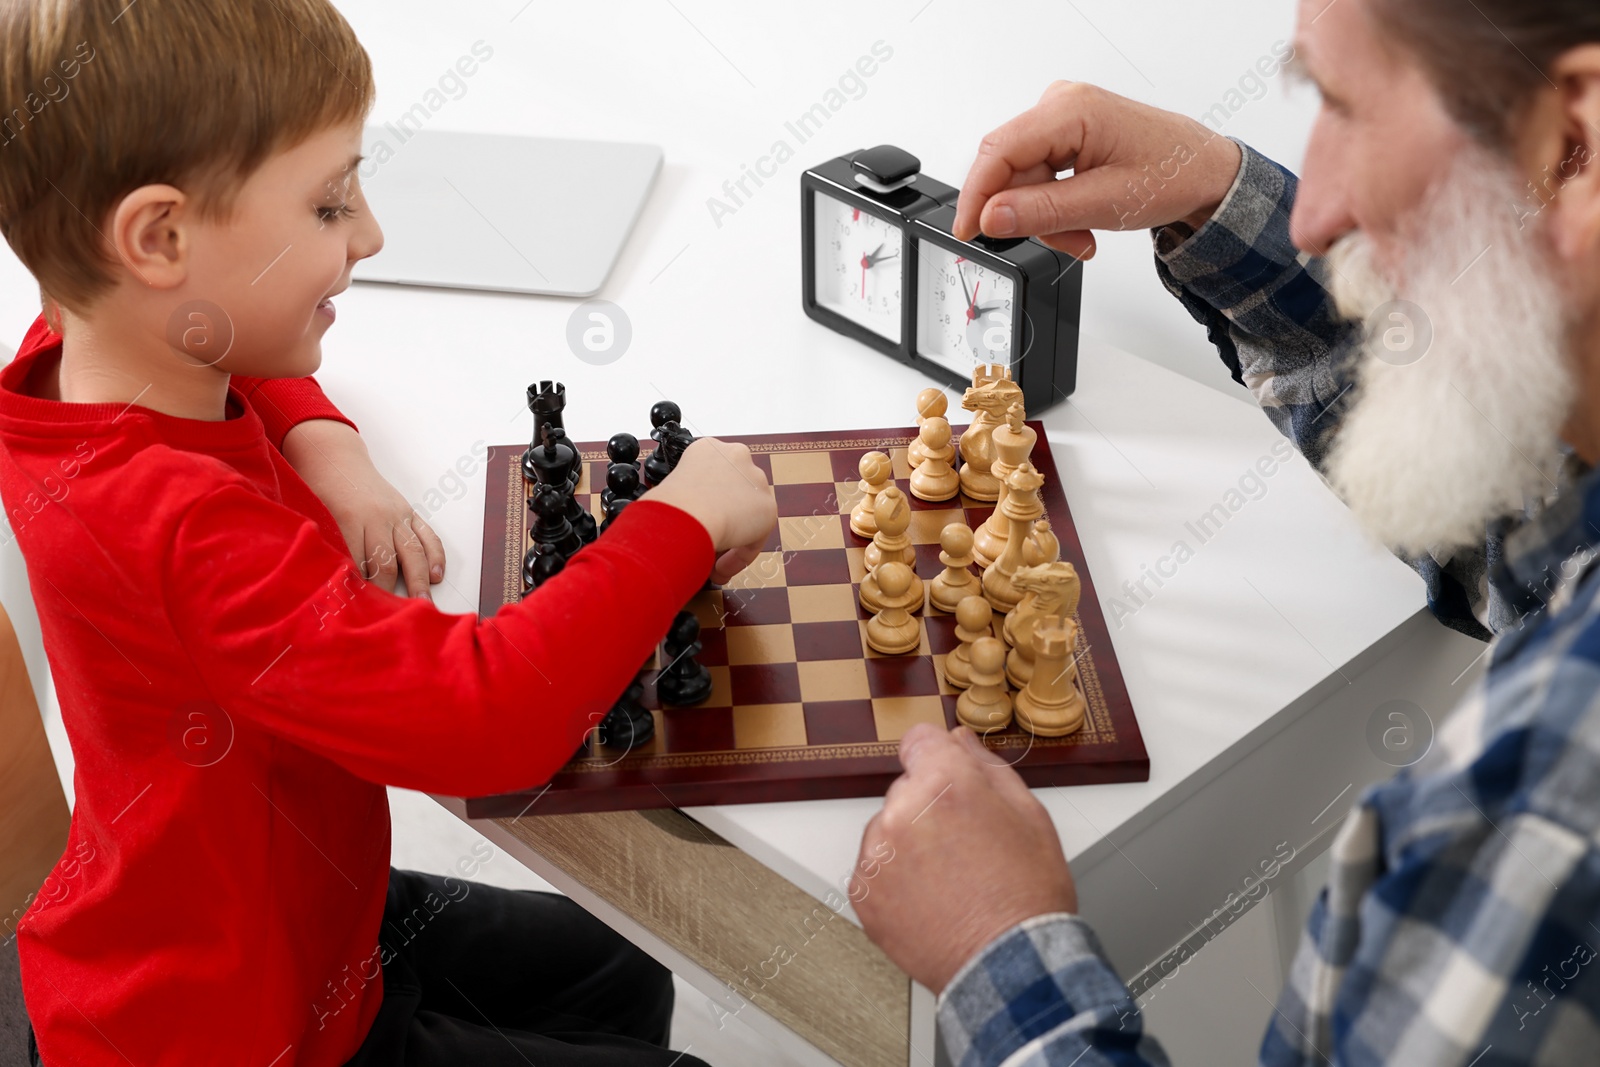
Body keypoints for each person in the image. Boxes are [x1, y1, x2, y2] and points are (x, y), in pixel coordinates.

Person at [0, 1, 776, 1064]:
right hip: (242, 1028)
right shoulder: (183, 530)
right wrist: (679, 520)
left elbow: (203, 346)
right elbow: (486, 719)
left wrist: (325, 442)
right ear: (161, 237)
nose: (369, 234)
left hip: (290, 920)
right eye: (327, 206)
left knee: (624, 961)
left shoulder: (80, 354)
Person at [855, 0, 1600, 1064]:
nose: (1313, 212)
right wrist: (1212, 191)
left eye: (1343, 105)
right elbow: (1524, 524)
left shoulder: (1551, 795)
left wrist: (997, 950)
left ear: (1569, 143)